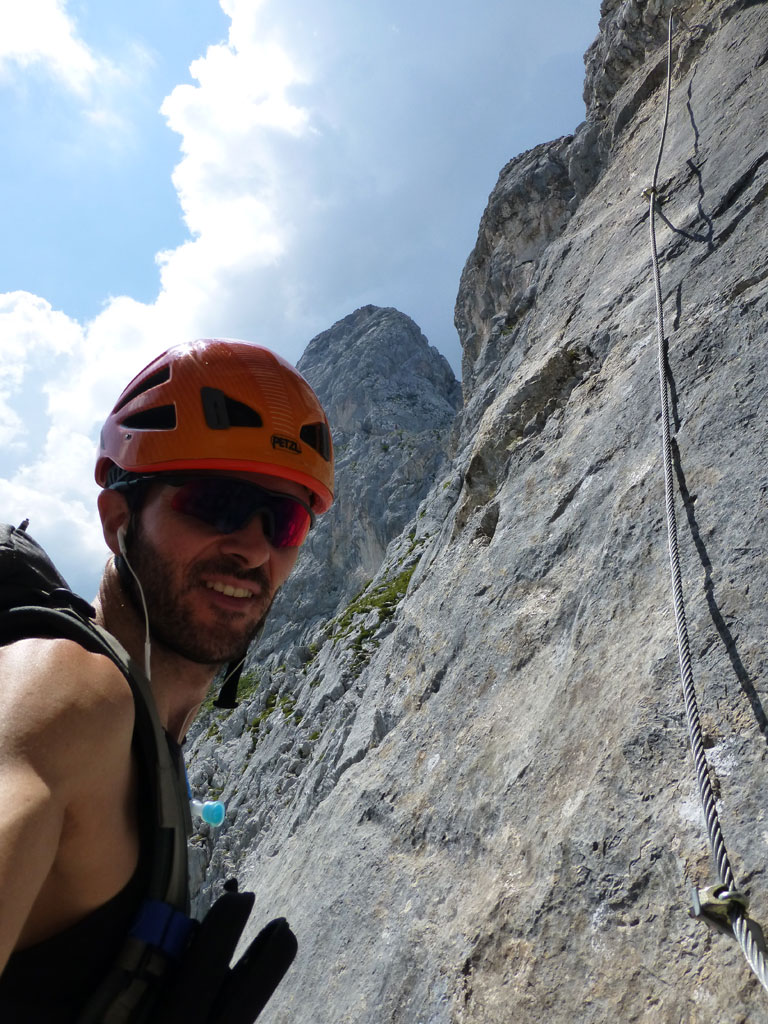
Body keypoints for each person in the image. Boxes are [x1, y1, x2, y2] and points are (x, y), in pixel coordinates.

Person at [0, 338, 334, 1022]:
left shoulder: (149, 743)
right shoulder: (68, 694)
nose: (252, 547)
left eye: (285, 520)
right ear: (118, 517)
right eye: (214, 503)